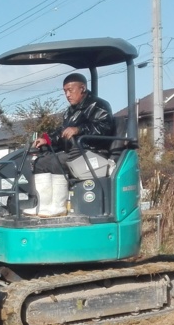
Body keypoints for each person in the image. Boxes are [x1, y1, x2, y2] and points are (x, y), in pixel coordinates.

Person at [25, 72, 115, 217]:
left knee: (56, 162)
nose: (67, 95)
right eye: (65, 91)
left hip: (94, 152)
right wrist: (47, 140)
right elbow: (62, 133)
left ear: (82, 88)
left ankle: (58, 206)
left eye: (70, 90)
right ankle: (44, 206)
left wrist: (78, 129)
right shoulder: (69, 112)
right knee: (40, 163)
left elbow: (104, 129)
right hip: (76, 151)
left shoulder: (99, 106)